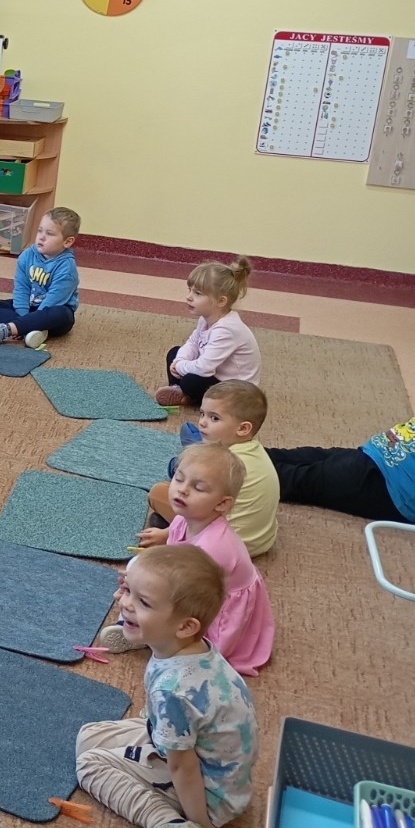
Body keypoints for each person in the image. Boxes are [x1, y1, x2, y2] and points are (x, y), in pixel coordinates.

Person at [76, 544, 256, 828]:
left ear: (185, 626)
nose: (124, 603)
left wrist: (202, 822)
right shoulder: (191, 649)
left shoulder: (173, 692)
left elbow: (182, 767)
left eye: (143, 602)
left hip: (208, 795)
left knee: (89, 764)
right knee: (88, 736)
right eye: (127, 591)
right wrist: (137, 586)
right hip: (211, 764)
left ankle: (173, 826)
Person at [267, 341, 415, 525]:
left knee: (301, 479)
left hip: (393, 493)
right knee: (305, 456)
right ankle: (246, 454)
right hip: (374, 459)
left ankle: (244, 478)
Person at [101, 444, 275, 676]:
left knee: (155, 596)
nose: (182, 490)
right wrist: (162, 537)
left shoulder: (214, 548)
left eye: (198, 488)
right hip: (188, 582)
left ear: (222, 504)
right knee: (137, 568)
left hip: (213, 601)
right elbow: (175, 541)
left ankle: (161, 642)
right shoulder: (189, 516)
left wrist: (140, 585)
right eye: (179, 478)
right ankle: (137, 626)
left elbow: (186, 593)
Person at [143, 381, 279, 558]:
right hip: (262, 540)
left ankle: (177, 530)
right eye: (202, 414)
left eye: (214, 418)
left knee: (158, 493)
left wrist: (166, 534)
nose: (202, 423)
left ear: (243, 428)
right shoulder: (255, 450)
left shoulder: (223, 462)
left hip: (222, 546)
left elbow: (204, 505)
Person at [156, 257, 260, 408]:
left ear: (221, 301)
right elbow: (193, 343)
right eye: (190, 290)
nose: (189, 297)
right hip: (215, 374)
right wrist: (180, 360)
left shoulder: (227, 330)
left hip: (237, 392)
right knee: (174, 353)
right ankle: (178, 390)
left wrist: (179, 366)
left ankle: (186, 394)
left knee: (191, 380)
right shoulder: (206, 319)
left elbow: (204, 368)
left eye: (197, 293)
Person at [0, 206, 81, 348]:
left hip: (51, 313)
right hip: (30, 307)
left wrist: (29, 321)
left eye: (49, 233)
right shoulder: (27, 255)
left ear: (67, 242)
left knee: (62, 314)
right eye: (40, 231)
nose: (41, 237)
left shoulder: (66, 268)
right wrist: (25, 319)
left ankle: (10, 329)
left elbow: (54, 300)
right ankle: (28, 331)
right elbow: (21, 289)